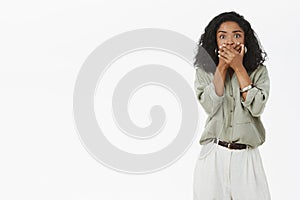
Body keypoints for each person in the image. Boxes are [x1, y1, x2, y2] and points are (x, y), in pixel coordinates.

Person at [193, 11, 271, 200]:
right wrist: (222, 66)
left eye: (237, 35)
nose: (230, 41)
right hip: (213, 156)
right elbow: (211, 106)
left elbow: (256, 107)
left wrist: (238, 67)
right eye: (222, 36)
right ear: (215, 41)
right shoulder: (204, 72)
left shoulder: (258, 72)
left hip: (246, 157)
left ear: (246, 39)